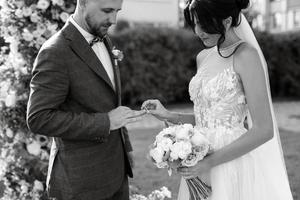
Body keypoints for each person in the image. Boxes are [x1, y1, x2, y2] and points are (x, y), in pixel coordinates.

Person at [142, 0, 293, 199]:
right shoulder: (203, 57)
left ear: (227, 21)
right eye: (195, 23)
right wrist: (168, 115)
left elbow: (264, 130)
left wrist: (209, 162)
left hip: (231, 162)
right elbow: (208, 118)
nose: (198, 31)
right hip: (198, 156)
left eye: (204, 24)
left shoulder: (246, 55)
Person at [26, 0, 145, 199]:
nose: (113, 20)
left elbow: (109, 100)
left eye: (117, 11)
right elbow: (39, 118)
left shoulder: (104, 38)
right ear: (83, 3)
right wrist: (105, 122)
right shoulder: (55, 51)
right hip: (80, 183)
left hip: (116, 173)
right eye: (107, 11)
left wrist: (127, 146)